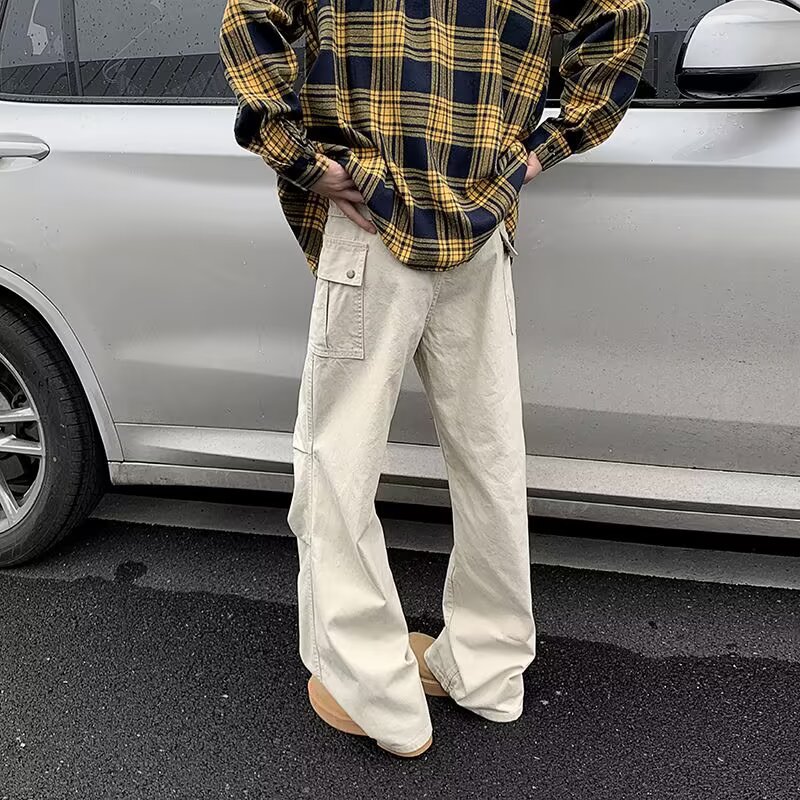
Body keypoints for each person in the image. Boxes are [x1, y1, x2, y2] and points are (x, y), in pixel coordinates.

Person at [219, 0, 649, 758]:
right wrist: (532, 155)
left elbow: (251, 17)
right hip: (480, 220)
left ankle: (379, 697)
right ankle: (488, 672)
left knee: (338, 463)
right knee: (489, 459)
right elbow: (620, 20)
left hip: (371, 217)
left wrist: (304, 160)